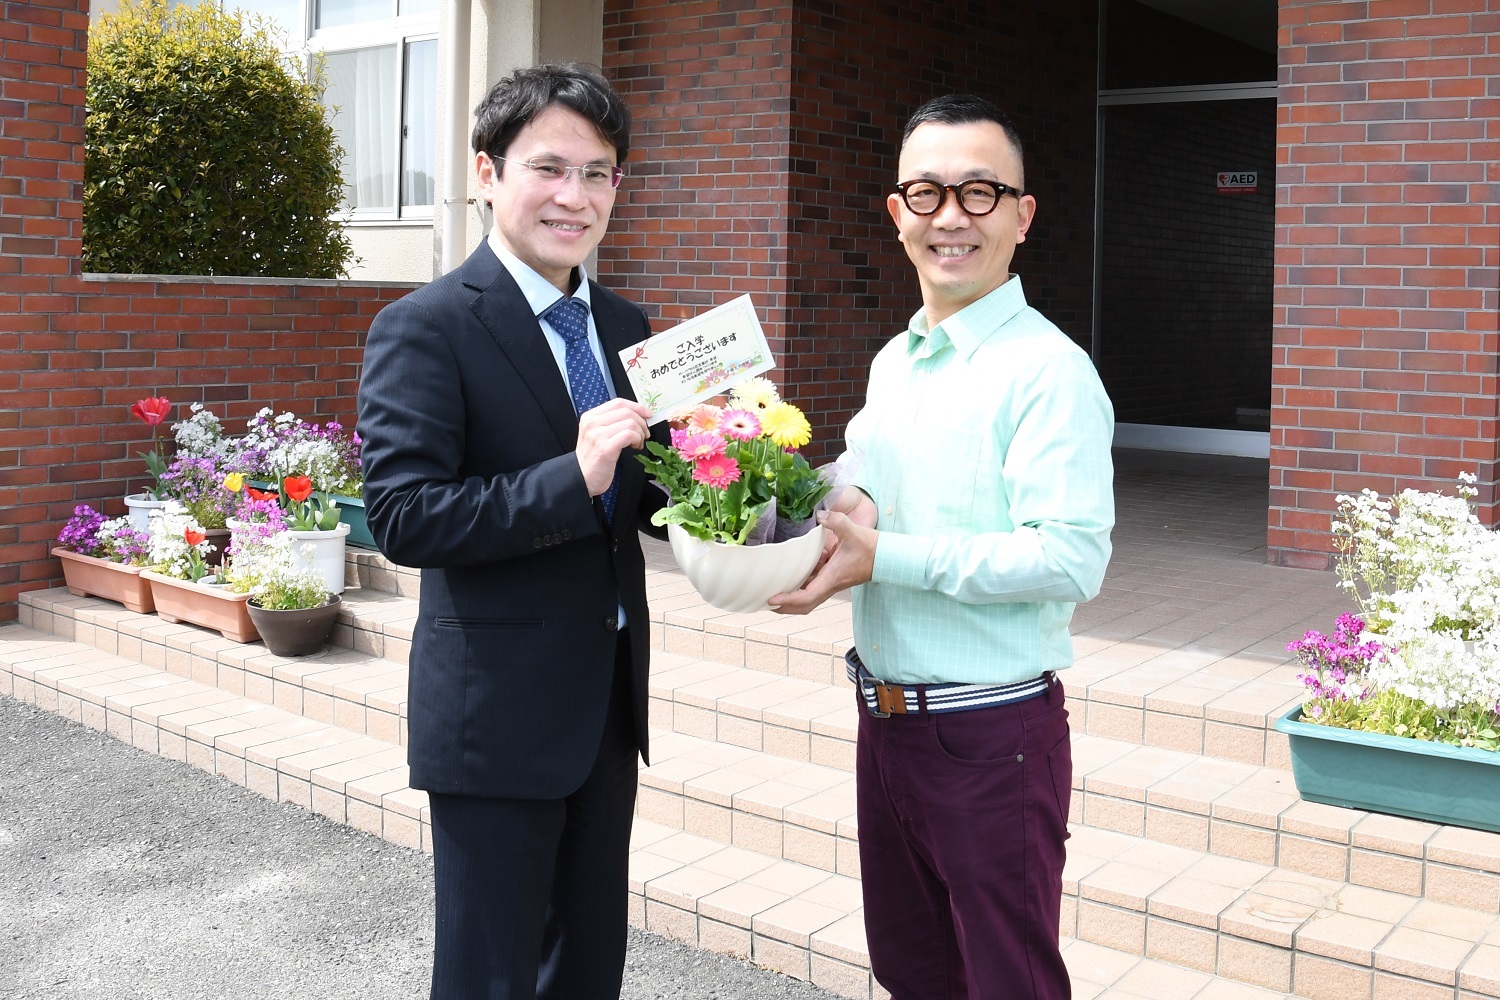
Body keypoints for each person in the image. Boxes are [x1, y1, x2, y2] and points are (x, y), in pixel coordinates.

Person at [772, 94, 1115, 999]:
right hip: (884, 725)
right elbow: (865, 487)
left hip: (991, 735)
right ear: (897, 215)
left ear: (1021, 215)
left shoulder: (1049, 373)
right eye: (925, 193)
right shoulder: (898, 359)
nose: (950, 216)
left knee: (1006, 981)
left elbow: (1068, 558)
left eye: (978, 191)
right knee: (915, 972)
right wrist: (753, 495)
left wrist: (886, 559)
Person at [356, 64, 666, 999]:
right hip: (494, 718)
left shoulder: (623, 324)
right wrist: (571, 476)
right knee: (490, 976)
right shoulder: (426, 326)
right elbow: (404, 515)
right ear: (488, 173)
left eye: (599, 172)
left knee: (587, 967)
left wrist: (754, 494)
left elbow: (640, 497)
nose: (575, 196)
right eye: (549, 167)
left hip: (607, 708)